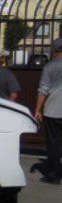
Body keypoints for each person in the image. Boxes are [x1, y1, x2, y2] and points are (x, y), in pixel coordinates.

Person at [35, 37, 62, 185]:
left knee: (54, 143)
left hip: (53, 110)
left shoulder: (49, 67)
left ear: (53, 51)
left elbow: (43, 90)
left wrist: (38, 109)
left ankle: (54, 175)